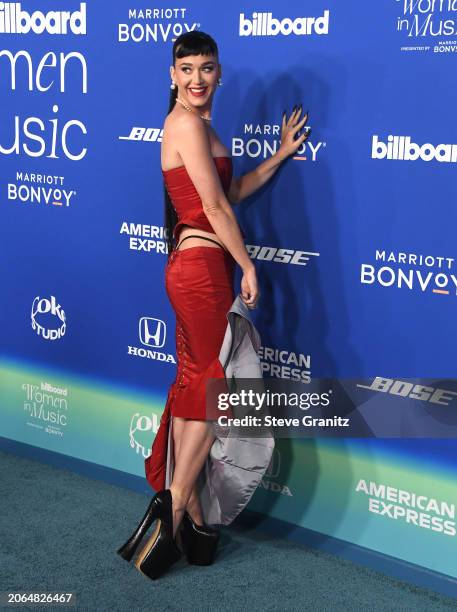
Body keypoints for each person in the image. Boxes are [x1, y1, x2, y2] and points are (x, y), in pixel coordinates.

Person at [117, 30, 311, 580]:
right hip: (203, 272)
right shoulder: (182, 124)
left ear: (219, 73)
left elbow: (232, 193)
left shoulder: (199, 126)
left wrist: (278, 156)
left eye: (207, 68)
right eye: (188, 69)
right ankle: (174, 508)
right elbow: (213, 211)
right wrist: (247, 264)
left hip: (197, 268)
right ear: (172, 76)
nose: (198, 78)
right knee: (210, 386)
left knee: (194, 385)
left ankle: (192, 517)